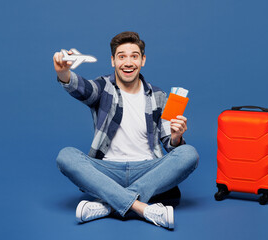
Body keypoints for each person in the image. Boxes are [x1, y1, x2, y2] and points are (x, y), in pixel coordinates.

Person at [53, 31, 199, 229]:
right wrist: (64, 73)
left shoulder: (158, 95)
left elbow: (171, 146)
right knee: (65, 156)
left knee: (189, 153)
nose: (128, 62)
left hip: (147, 170)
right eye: (122, 56)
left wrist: (176, 137)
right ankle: (143, 208)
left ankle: (109, 205)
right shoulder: (103, 87)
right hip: (106, 171)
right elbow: (83, 88)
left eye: (134, 56)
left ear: (143, 60)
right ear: (113, 61)